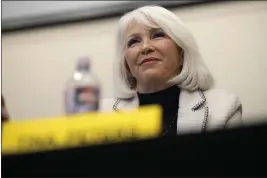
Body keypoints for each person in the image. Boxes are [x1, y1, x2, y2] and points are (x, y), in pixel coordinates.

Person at [100, 5, 242, 136]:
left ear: (181, 53)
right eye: (134, 41)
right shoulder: (101, 114)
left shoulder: (223, 107)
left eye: (157, 35)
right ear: (126, 64)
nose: (145, 47)